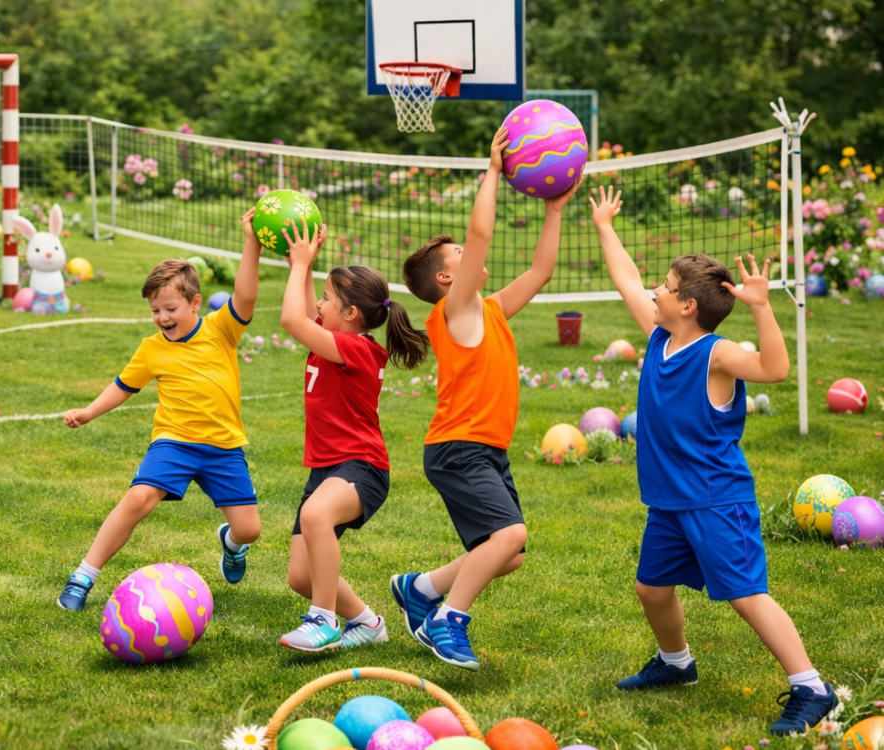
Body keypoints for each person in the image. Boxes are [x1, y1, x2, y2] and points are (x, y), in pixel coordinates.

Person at [588, 185, 838, 735]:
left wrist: (762, 307)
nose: (657, 289)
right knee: (652, 587)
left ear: (689, 306)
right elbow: (628, 279)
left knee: (747, 597)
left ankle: (811, 688)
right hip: (670, 500)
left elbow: (774, 369)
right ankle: (677, 664)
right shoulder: (658, 337)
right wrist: (606, 227)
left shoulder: (716, 355)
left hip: (715, 499)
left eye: (669, 287)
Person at [390, 127, 581, 671]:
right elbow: (479, 235)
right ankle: (450, 621)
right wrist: (493, 172)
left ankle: (421, 588)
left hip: (483, 448)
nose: (471, 254)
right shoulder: (456, 310)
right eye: (459, 255)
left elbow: (541, 272)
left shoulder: (489, 308)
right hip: (459, 447)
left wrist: (555, 209)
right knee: (510, 533)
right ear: (449, 276)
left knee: (510, 553)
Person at [54, 210, 263, 611]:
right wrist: (88, 412)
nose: (163, 318)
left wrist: (250, 241)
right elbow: (123, 386)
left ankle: (231, 545)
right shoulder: (152, 349)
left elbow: (247, 296)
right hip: (174, 443)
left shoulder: (222, 329)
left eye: (171, 308)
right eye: (155, 311)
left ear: (195, 302)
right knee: (138, 499)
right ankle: (82, 578)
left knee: (249, 530)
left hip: (223, 447)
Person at [275, 217, 430, 651]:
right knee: (300, 576)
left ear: (351, 315)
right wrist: (303, 267)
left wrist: (299, 266)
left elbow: (291, 318)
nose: (318, 306)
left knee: (315, 517)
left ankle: (322, 620)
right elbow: (305, 315)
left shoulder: (357, 348)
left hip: (361, 466)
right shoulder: (333, 336)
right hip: (326, 468)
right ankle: (367, 622)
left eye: (327, 299)